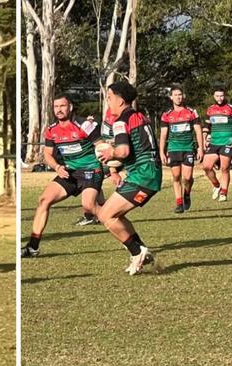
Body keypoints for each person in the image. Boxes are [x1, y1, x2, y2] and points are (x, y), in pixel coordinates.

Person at [20, 94, 103, 257]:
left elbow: (101, 146)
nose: (59, 110)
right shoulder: (51, 130)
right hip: (69, 172)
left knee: (89, 206)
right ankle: (33, 246)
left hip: (91, 170)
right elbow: (48, 155)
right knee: (44, 200)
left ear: (70, 107)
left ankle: (119, 224)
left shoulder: (84, 125)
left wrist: (112, 168)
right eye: (56, 107)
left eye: (62, 106)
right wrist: (57, 167)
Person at [97, 81, 161, 275]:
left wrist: (110, 153)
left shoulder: (121, 121)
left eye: (109, 98)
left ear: (120, 100)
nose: (108, 102)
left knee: (105, 215)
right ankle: (142, 251)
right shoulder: (139, 116)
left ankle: (137, 251)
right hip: (147, 172)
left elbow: (123, 151)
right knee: (116, 215)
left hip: (143, 175)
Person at [159, 85, 203, 213]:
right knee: (176, 176)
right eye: (176, 95)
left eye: (180, 94)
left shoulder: (191, 111)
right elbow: (163, 135)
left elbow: (198, 130)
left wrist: (200, 148)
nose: (178, 97)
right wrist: (161, 152)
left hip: (188, 148)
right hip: (173, 149)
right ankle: (179, 203)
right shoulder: (167, 114)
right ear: (171, 97)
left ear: (183, 96)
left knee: (187, 177)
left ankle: (187, 194)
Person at [202, 87, 232, 202]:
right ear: (213, 96)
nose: (220, 98)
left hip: (227, 142)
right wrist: (204, 138)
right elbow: (207, 125)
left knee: (224, 168)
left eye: (222, 96)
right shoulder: (210, 109)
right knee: (206, 167)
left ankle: (224, 192)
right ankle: (216, 185)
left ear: (225, 96)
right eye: (217, 96)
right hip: (214, 142)